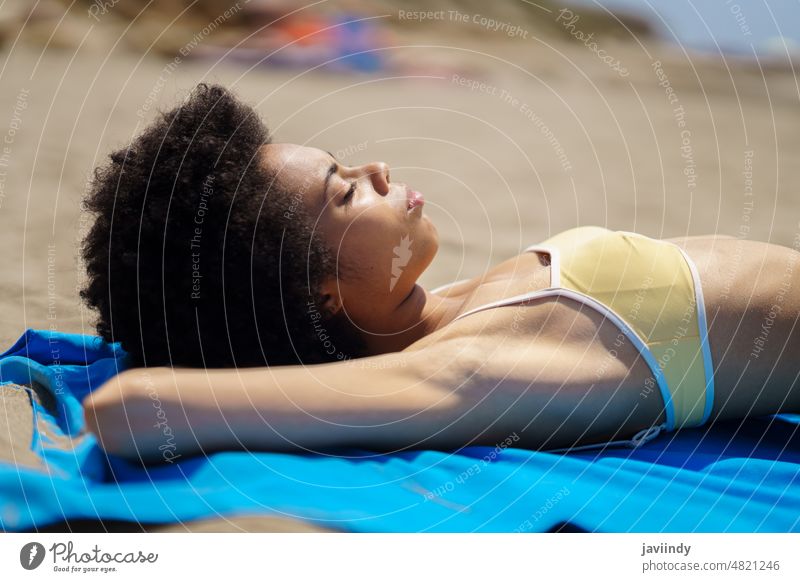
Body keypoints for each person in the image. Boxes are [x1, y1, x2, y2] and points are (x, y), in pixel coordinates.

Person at [80, 84, 800, 462]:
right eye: (346, 190)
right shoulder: (466, 368)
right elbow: (131, 411)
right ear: (318, 293)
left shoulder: (443, 315)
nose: (378, 169)